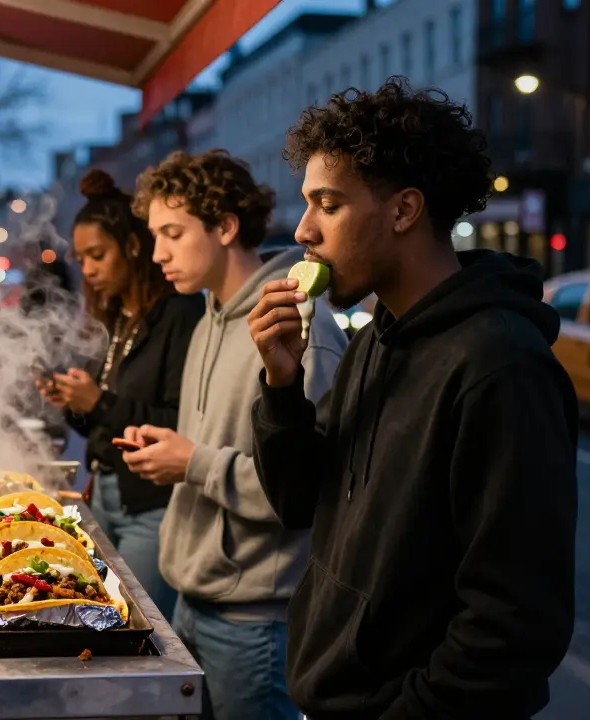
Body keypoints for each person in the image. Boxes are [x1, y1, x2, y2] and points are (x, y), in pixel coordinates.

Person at [247, 79, 578, 719]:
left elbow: (512, 626)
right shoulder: (377, 338)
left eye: (328, 204)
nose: (303, 229)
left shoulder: (500, 364)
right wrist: (282, 388)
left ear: (403, 212)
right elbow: (297, 503)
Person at [119, 150, 348, 720]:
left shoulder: (299, 327)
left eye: (172, 233)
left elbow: (310, 490)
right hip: (194, 598)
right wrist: (173, 450)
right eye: (154, 236)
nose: (158, 254)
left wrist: (192, 462)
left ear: (224, 226)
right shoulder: (208, 318)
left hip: (255, 618)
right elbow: (219, 443)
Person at [39, 169, 204, 621]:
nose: (87, 270)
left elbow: (176, 421)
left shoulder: (179, 313)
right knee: (97, 618)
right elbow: (105, 423)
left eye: (97, 255)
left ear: (133, 248)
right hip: (103, 496)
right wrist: (74, 404)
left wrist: (98, 402)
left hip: (151, 508)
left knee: (136, 626)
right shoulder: (116, 315)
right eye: (82, 258)